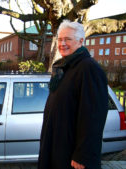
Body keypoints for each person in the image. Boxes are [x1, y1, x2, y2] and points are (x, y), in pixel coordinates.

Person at [38, 20, 108, 169]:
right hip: (55, 145)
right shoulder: (61, 66)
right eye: (60, 39)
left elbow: (94, 116)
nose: (62, 43)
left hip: (71, 154)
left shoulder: (88, 68)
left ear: (81, 41)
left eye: (67, 39)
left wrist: (83, 155)